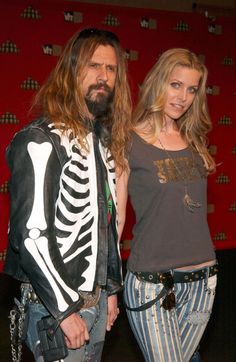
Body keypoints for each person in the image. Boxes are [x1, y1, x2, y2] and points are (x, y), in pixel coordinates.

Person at [4, 27, 132, 362]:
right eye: (93, 65)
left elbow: (106, 225)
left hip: (96, 304)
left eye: (111, 68)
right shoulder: (39, 141)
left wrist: (111, 290)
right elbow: (30, 236)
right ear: (71, 71)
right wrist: (64, 310)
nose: (103, 76)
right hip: (55, 312)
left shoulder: (101, 143)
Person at [117, 48, 218, 362]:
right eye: (175, 85)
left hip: (204, 282)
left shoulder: (194, 141)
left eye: (191, 89)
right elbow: (116, 219)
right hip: (151, 282)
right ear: (157, 83)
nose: (183, 97)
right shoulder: (127, 142)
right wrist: (105, 286)